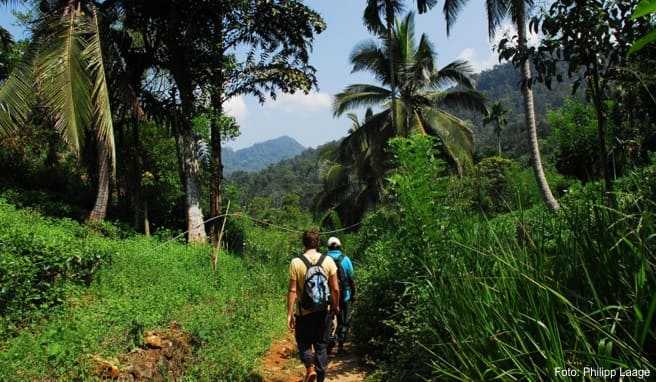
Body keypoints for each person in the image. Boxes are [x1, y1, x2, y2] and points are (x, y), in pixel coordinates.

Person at [288, 229, 340, 382]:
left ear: (303, 243)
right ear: (318, 243)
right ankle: (320, 378)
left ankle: (310, 368)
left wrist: (290, 313)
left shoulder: (296, 262)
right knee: (321, 347)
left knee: (303, 343)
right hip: (323, 312)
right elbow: (335, 288)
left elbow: (292, 290)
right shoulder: (328, 260)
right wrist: (335, 307)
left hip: (303, 313)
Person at [325, 237, 356, 354]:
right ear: (339, 246)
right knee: (344, 321)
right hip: (344, 295)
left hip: (327, 297)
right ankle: (341, 346)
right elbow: (351, 279)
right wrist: (353, 294)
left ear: (328, 247)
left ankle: (328, 343)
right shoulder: (346, 259)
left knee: (327, 320)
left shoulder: (323, 259)